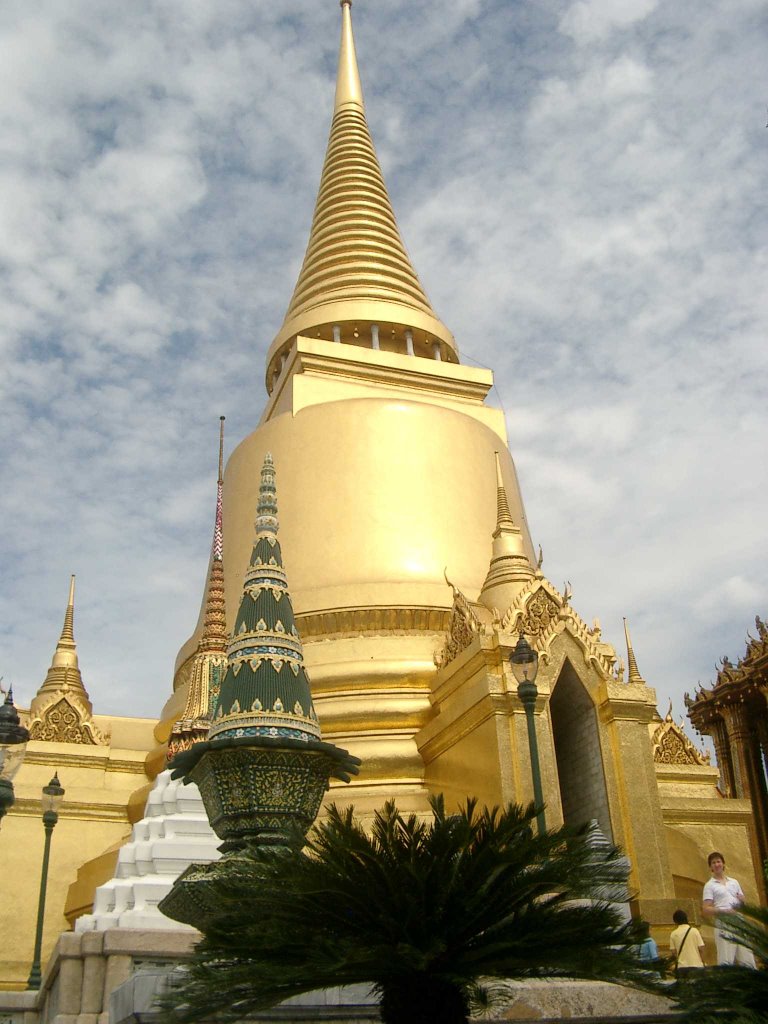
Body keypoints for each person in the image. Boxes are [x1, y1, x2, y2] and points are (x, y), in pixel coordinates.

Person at [702, 851, 756, 967]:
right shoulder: (710, 885)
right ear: (710, 867)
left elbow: (742, 902)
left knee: (747, 957)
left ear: (723, 864)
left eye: (718, 861)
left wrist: (742, 900)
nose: (717, 864)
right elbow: (706, 909)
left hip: (739, 921)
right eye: (713, 863)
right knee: (726, 958)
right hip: (724, 922)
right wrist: (724, 911)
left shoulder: (734, 882)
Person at [669, 908, 705, 975]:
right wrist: (702, 961)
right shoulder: (695, 931)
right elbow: (701, 948)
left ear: (675, 921)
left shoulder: (673, 934)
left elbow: (673, 952)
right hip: (696, 965)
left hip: (682, 967)